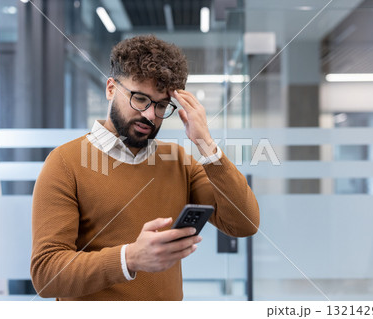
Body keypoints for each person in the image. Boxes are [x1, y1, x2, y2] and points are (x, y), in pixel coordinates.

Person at [30, 34, 259, 301]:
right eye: (140, 99)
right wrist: (129, 259)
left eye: (162, 105)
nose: (150, 115)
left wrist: (205, 143)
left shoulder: (179, 161)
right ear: (111, 88)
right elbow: (46, 275)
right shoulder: (65, 162)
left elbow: (245, 223)